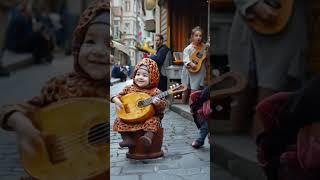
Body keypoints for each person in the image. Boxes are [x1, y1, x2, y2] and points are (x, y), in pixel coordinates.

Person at [0, 0, 109, 179]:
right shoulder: (60, 86)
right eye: (90, 41)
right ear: (77, 46)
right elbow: (13, 109)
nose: (98, 51)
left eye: (110, 44)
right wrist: (21, 123)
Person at [228, 0, 306, 136]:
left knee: (272, 89)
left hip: (285, 18)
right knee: (241, 90)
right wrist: (251, 4)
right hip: (252, 17)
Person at [111, 58, 167, 148]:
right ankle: (127, 139)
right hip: (130, 117)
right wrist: (115, 99)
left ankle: (148, 137)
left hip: (147, 118)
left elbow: (162, 107)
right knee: (118, 120)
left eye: (145, 75)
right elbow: (118, 95)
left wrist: (158, 103)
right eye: (138, 74)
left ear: (152, 77)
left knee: (154, 120)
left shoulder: (155, 92)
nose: (140, 77)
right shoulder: (129, 88)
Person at [180, 26, 209, 148]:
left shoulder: (204, 46)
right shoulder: (188, 48)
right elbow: (186, 59)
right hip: (193, 71)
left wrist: (207, 49)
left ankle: (204, 109)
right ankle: (194, 109)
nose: (198, 38)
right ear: (192, 36)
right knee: (195, 90)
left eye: (200, 36)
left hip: (203, 70)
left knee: (203, 91)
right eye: (196, 35)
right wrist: (189, 63)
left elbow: (206, 57)